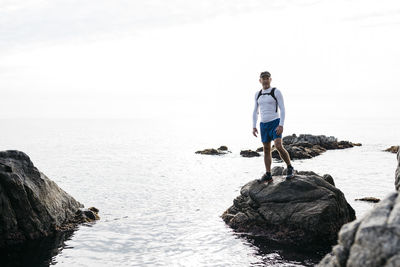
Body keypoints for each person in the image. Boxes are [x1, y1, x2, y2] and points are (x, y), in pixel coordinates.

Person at [252, 71, 294, 182]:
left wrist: (281, 124)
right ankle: (268, 174)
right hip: (263, 125)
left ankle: (290, 167)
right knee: (266, 149)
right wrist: (254, 126)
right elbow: (255, 111)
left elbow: (283, 109)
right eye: (263, 78)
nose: (265, 80)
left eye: (267, 78)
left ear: (270, 79)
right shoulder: (258, 94)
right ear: (260, 80)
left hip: (275, 122)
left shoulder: (276, 92)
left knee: (278, 145)